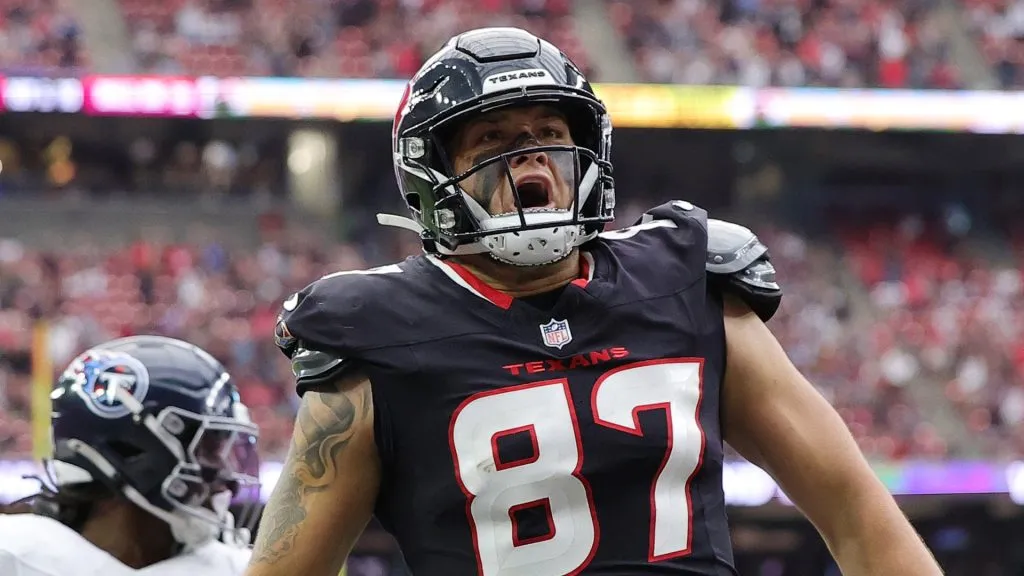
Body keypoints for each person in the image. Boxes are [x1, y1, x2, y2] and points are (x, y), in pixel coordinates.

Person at [249, 27, 943, 576]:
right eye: (491, 140)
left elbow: (857, 514)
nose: (529, 162)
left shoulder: (688, 280)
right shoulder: (376, 339)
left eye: (549, 135)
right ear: (434, 177)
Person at [0, 335, 261, 576]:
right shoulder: (14, 555)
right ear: (131, 450)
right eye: (210, 450)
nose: (229, 477)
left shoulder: (231, 567)